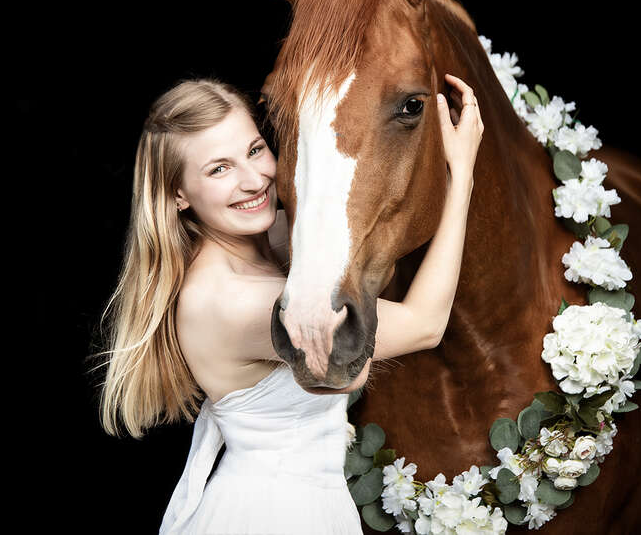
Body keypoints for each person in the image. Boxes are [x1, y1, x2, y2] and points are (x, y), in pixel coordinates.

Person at [93, 73, 483, 534]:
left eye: (255, 150)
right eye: (219, 169)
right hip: (275, 512)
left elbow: (349, 218)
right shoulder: (231, 300)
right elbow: (424, 325)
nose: (253, 179)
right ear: (177, 194)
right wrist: (461, 178)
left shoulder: (265, 243)